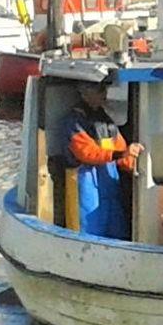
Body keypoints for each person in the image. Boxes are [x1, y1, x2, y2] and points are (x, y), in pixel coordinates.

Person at [56, 78, 143, 238]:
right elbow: (86, 153)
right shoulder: (74, 122)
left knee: (117, 230)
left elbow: (121, 150)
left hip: (110, 185)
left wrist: (137, 167)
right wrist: (119, 155)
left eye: (105, 88)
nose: (105, 93)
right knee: (89, 231)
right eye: (99, 89)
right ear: (84, 93)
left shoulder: (106, 121)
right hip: (85, 183)